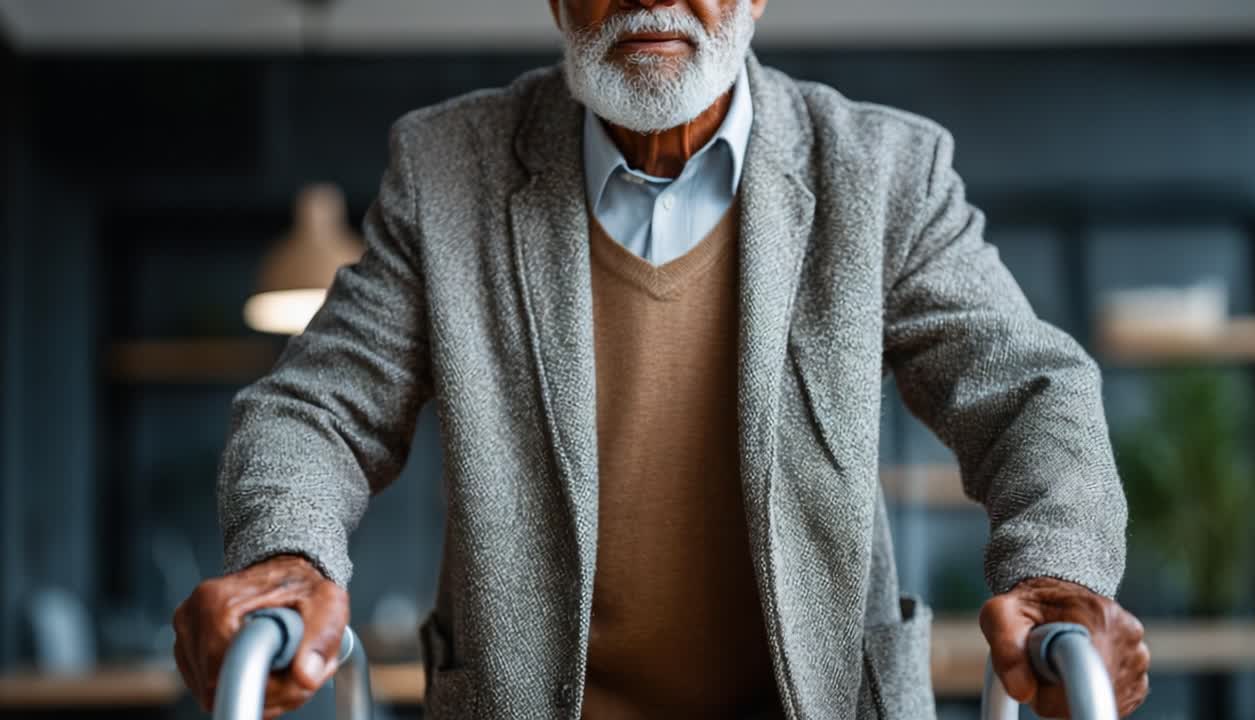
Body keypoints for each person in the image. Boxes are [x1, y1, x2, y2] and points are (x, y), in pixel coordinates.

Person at [172, 0, 1151, 717]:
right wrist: (284, 556)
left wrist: (1056, 572)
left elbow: (1028, 393)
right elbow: (317, 410)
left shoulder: (882, 170)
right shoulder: (445, 169)